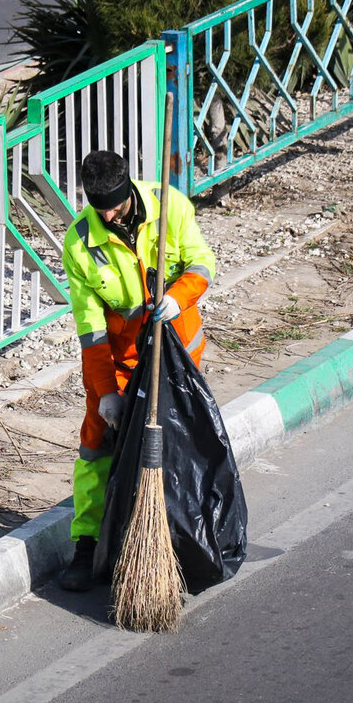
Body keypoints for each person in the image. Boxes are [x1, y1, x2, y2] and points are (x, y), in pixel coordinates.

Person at [57, 149, 216, 592]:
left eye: (114, 203)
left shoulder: (171, 207)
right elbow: (90, 327)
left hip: (174, 350)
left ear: (128, 189)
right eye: (98, 205)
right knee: (96, 444)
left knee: (171, 443)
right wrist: (107, 390)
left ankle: (175, 538)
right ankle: (87, 544)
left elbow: (203, 260)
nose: (107, 213)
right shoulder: (80, 242)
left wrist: (180, 294)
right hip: (123, 356)